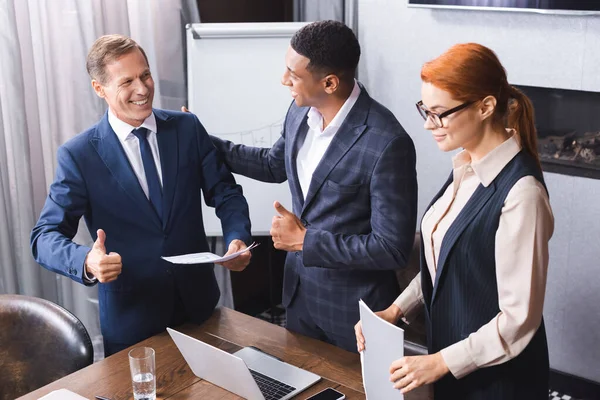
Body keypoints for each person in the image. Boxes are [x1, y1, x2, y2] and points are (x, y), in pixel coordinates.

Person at [30, 34, 253, 356]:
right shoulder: (79, 155)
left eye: (145, 75)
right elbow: (44, 237)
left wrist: (237, 236)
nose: (143, 89)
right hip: (132, 323)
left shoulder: (187, 128)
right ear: (99, 89)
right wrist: (87, 261)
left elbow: (226, 193)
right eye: (127, 81)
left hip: (200, 308)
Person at [355, 43, 554, 399]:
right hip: (452, 363)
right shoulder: (467, 165)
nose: (430, 124)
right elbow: (445, 260)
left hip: (499, 382)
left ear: (485, 107)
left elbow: (519, 319)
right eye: (425, 110)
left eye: (440, 113)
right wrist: (397, 309)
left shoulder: (522, 195)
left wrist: (439, 362)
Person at [207, 20, 418, 352]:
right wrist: (205, 143)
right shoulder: (299, 110)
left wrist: (307, 241)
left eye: (294, 75)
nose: (284, 80)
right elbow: (273, 164)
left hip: (356, 312)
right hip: (299, 297)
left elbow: (392, 248)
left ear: (330, 82)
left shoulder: (388, 143)